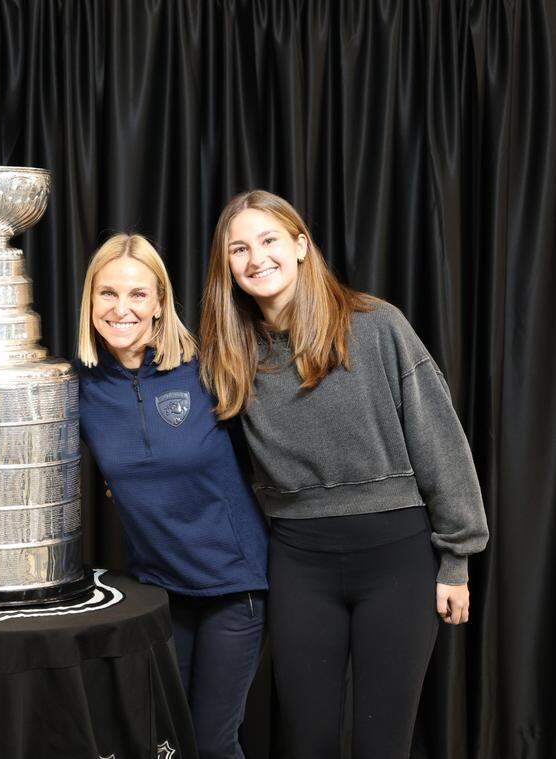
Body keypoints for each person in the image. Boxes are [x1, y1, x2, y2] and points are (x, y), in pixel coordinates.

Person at [198, 189, 490, 759]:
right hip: (300, 563)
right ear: (227, 267)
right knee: (306, 739)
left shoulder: (376, 325)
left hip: (398, 557)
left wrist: (457, 557)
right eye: (239, 249)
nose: (256, 258)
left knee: (384, 741)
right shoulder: (229, 353)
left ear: (301, 245)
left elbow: (441, 441)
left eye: (269, 240)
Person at [75, 234, 268, 759]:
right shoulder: (78, 388)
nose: (121, 309)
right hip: (157, 590)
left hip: (232, 585)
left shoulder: (208, 369)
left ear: (160, 303)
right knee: (162, 741)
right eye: (107, 293)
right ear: (89, 300)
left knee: (211, 744)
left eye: (138, 294)